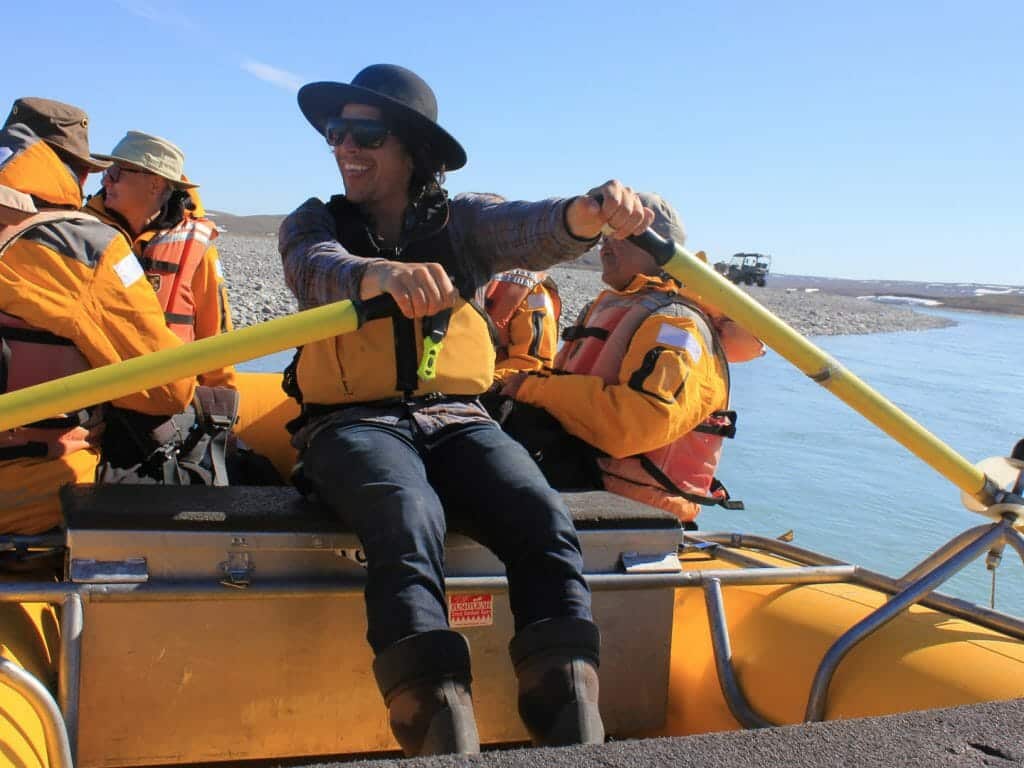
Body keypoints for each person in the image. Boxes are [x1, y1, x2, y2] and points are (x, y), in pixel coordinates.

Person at [278, 63, 653, 756]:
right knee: (404, 512)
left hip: (458, 418)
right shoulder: (314, 221)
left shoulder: (467, 223)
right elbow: (313, 268)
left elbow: (532, 229)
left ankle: (569, 719)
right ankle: (438, 725)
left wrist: (588, 213)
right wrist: (377, 273)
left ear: (412, 150)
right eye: (337, 131)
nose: (344, 146)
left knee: (542, 515)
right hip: (351, 423)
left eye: (365, 133)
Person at [494, 192, 764, 527]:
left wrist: (530, 389)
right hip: (582, 471)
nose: (604, 247)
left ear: (659, 247)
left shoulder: (677, 324)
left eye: (618, 237)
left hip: (631, 503)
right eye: (603, 237)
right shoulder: (618, 307)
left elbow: (635, 425)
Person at [0, 98, 195, 534]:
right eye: (105, 171)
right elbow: (168, 390)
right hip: (27, 506)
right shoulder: (86, 246)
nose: (107, 180)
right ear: (79, 171)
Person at [84, 131, 249, 485]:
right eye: (107, 171)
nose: (106, 178)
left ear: (156, 184)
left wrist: (226, 420)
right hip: (94, 406)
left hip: (167, 407)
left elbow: (215, 337)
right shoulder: (82, 233)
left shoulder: (197, 250)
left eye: (119, 172)